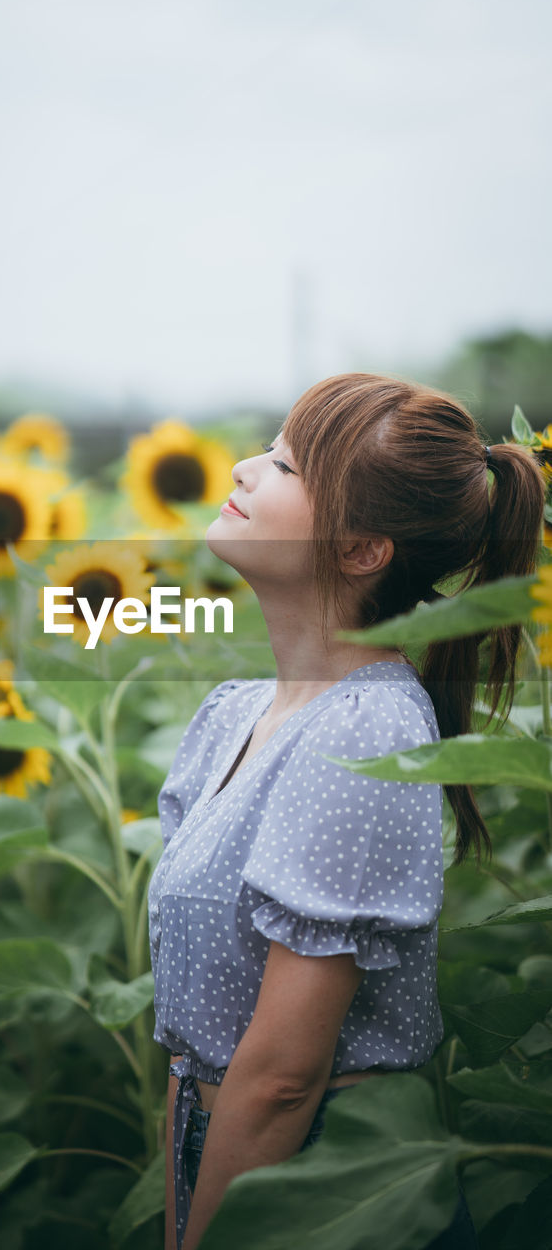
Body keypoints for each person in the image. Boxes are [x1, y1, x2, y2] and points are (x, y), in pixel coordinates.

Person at [147, 373, 546, 1250]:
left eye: (287, 465)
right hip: (228, 1168)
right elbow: (195, 1042)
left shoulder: (366, 729)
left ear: (363, 549)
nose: (247, 469)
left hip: (334, 1197)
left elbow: (285, 1077)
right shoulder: (232, 716)